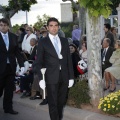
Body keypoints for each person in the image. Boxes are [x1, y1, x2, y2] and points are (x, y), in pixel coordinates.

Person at [34, 17, 74, 120]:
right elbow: (39, 62)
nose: (54, 28)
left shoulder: (64, 41)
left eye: (56, 25)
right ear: (47, 27)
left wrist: (71, 77)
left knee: (61, 102)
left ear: (58, 27)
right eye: (51, 26)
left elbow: (69, 60)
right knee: (53, 103)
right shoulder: (43, 42)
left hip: (64, 76)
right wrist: (41, 79)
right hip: (51, 76)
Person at [0, 18, 24, 114]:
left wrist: (22, 65)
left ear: (8, 26)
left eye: (5, 25)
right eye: (1, 25)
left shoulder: (13, 36)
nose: (3, 27)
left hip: (11, 67)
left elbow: (17, 52)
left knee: (9, 90)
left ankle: (8, 108)